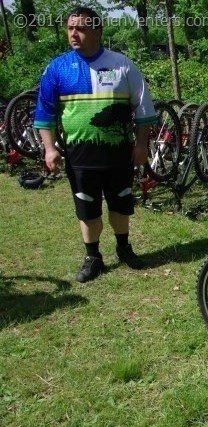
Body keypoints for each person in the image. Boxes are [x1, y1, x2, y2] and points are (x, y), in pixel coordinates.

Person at [34, 6, 157, 283]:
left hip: (118, 155)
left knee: (120, 204)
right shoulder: (57, 68)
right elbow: (44, 113)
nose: (73, 34)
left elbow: (143, 109)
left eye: (81, 28)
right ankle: (93, 256)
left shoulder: (122, 65)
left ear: (98, 31)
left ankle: (124, 248)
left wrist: (141, 145)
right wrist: (50, 148)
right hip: (80, 157)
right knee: (87, 206)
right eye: (70, 28)